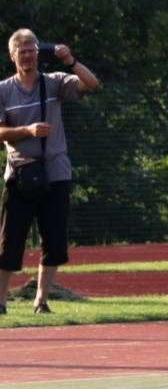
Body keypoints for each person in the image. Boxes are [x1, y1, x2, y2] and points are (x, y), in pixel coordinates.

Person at [1, 30, 99, 316]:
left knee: (54, 242)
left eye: (31, 50)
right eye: (22, 52)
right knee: (9, 243)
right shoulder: (4, 90)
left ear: (38, 53)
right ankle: (1, 301)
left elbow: (91, 83)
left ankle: (41, 300)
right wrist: (27, 131)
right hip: (19, 173)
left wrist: (70, 61)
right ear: (13, 56)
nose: (27, 56)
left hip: (55, 173)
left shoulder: (54, 81)